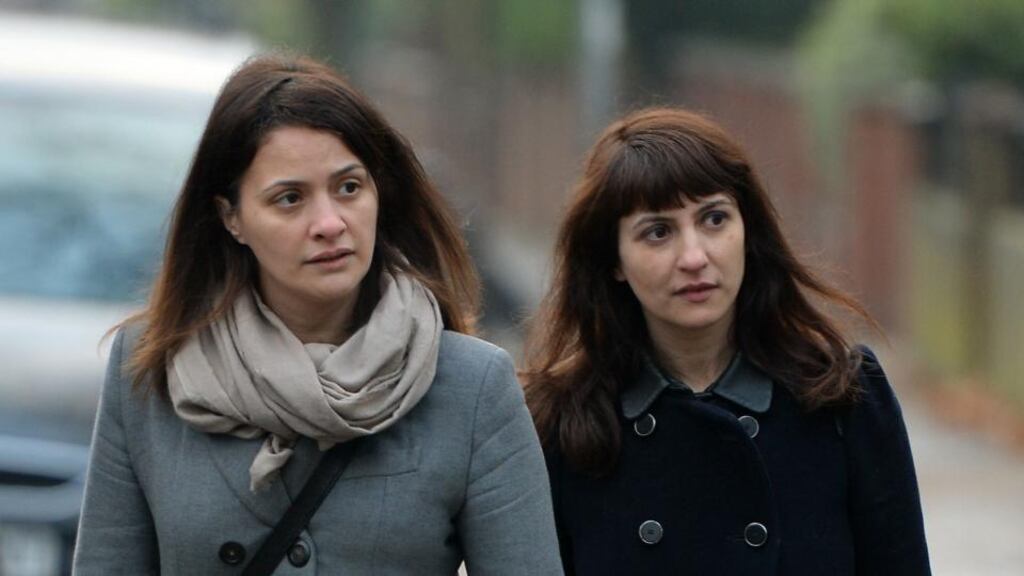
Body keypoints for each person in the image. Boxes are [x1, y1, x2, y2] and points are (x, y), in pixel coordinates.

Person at [73, 54, 562, 575]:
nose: (329, 223)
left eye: (349, 188)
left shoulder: (473, 387)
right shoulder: (150, 372)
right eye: (289, 199)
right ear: (232, 218)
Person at [522, 107, 930, 575]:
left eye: (714, 219)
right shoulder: (559, 425)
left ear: (747, 231)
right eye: (658, 232)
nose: (694, 257)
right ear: (613, 260)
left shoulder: (843, 395)